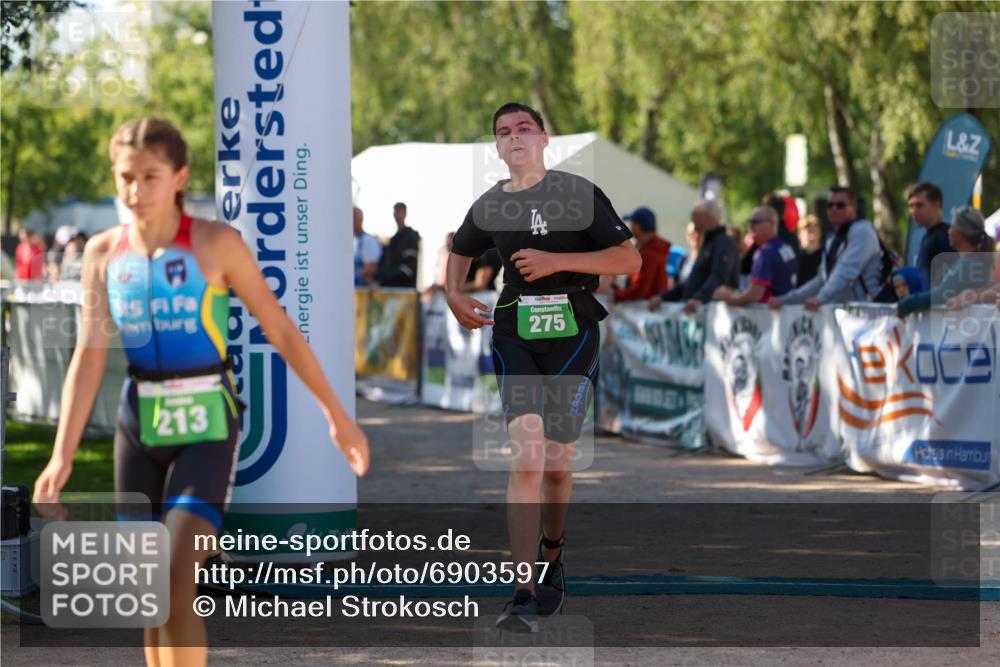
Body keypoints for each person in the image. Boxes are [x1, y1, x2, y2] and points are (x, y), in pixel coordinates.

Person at [31, 117, 369, 667]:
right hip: (138, 422)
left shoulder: (216, 244)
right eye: (125, 177)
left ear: (180, 176)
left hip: (207, 419)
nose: (135, 190)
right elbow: (89, 356)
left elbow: (280, 330)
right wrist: (60, 456)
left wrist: (337, 413)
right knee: (149, 591)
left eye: (150, 176)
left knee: (176, 572)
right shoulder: (101, 254)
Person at [446, 102, 640, 632]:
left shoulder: (578, 194)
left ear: (544, 138)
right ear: (498, 147)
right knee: (527, 453)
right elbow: (460, 248)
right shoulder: (490, 203)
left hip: (574, 330)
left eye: (524, 129)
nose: (515, 138)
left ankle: (553, 552)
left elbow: (629, 260)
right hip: (514, 332)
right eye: (504, 132)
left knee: (558, 463)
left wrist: (558, 262)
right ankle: (522, 590)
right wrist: (452, 293)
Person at [769, 186, 881, 311]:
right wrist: (785, 300)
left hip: (864, 315)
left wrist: (820, 298)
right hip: (839, 315)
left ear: (854, 207)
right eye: (830, 205)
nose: (834, 209)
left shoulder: (863, 231)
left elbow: (847, 270)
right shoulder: (833, 239)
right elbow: (822, 279)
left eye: (840, 205)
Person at [898, 206, 995, 317]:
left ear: (961, 234)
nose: (948, 232)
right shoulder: (973, 262)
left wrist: (906, 304)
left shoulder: (970, 265)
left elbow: (940, 295)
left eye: (951, 228)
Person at [648, 199, 739, 314]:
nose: (692, 220)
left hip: (714, 316)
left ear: (706, 217)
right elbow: (692, 281)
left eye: (694, 215)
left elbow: (719, 276)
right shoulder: (708, 244)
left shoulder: (723, 243)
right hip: (698, 315)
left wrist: (699, 299)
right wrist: (663, 297)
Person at [713, 206, 797, 305]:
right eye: (749, 222)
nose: (750, 226)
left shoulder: (765, 252)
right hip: (785, 311)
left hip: (768, 315)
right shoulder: (784, 246)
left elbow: (755, 295)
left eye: (755, 222)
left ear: (771, 223)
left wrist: (729, 298)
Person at [613, 206, 670, 302]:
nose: (630, 227)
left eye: (632, 223)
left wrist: (616, 296)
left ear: (638, 226)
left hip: (647, 313)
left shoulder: (650, 252)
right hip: (648, 310)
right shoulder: (652, 249)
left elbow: (641, 290)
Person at [907, 181, 954, 287]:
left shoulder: (947, 236)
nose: (914, 211)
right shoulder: (927, 237)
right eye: (911, 206)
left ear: (936, 205)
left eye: (919, 205)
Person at [372, 201, 420, 288]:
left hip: (405, 291)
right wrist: (378, 279)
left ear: (405, 213)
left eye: (399, 212)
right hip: (390, 291)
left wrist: (384, 280)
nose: (397, 215)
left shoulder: (411, 237)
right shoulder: (393, 240)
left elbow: (408, 269)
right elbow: (386, 264)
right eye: (396, 212)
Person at [353, 206, 383, 287]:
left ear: (360, 219)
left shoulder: (368, 240)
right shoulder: (354, 241)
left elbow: (371, 268)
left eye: (353, 217)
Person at [796, 213, 824, 285]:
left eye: (815, 232)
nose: (812, 237)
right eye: (809, 232)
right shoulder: (795, 256)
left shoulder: (825, 256)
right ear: (799, 234)